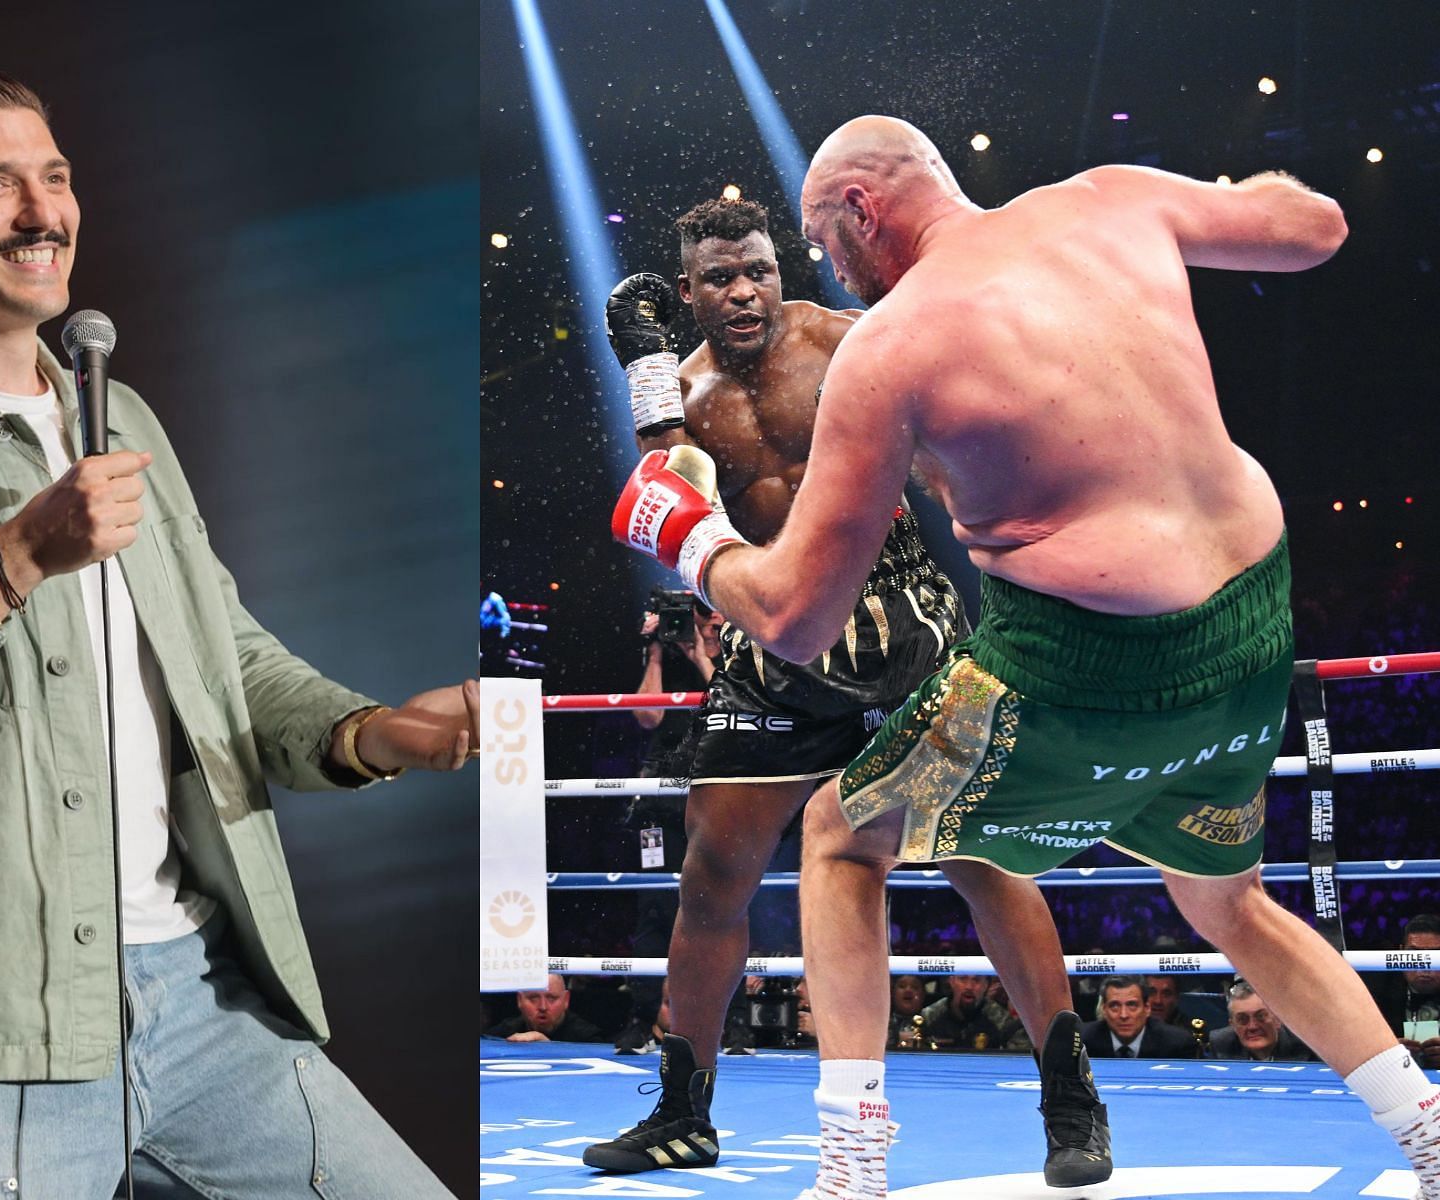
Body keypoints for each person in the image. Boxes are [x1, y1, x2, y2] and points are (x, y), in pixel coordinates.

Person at [613, 113, 1440, 1194]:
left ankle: (852, 1169)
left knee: (843, 834)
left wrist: (691, 536)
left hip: (1083, 657)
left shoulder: (886, 344)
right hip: (1253, 620)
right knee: (1228, 899)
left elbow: (795, 617)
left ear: (861, 209)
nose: (824, 266)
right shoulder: (1107, 196)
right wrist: (1248, 178)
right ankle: (1426, 1132)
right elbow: (1313, 222)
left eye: (820, 239)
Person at [0, 69, 475, 1199]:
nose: (42, 213)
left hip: (201, 996)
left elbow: (223, 660)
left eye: (55, 178)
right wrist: (12, 557)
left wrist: (376, 732)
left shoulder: (118, 418)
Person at [591, 197, 1108, 1185]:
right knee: (710, 876)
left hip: (906, 622)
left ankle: (1072, 1100)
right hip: (779, 638)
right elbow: (677, 499)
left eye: (756, 270)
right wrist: (649, 387)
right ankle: (681, 1111)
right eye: (718, 279)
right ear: (690, 292)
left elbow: (957, 445)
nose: (742, 293)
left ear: (779, 267)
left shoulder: (853, 345)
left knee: (981, 858)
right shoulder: (684, 390)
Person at [616, 599, 721, 1053]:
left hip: (715, 787)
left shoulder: (740, 651)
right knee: (655, 909)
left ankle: (731, 1026)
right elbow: (647, 716)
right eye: (702, 619)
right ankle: (641, 1021)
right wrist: (656, 652)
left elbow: (731, 703)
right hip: (660, 797)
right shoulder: (664, 657)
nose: (710, 625)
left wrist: (700, 655)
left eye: (715, 618)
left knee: (723, 902)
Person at [1367, 913, 1440, 1070]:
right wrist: (1385, 1054)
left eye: (1434, 955)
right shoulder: (1376, 990)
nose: (1424, 966)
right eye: (1414, 955)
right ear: (1401, 953)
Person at [1083, 976, 1199, 1059]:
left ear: (1147, 1008)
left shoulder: (1177, 1044)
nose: (1124, 1015)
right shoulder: (1082, 1041)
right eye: (1115, 1006)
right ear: (1104, 1009)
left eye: (1132, 1005)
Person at [1210, 980, 1316, 1061]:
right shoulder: (1221, 1044)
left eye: (1261, 1017)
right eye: (1242, 1019)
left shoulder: (1306, 1045)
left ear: (1278, 1019)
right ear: (1233, 1026)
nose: (1252, 1026)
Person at [487, 975, 608, 1043]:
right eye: (533, 998)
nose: (543, 1007)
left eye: (552, 998)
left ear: (566, 1000)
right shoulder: (503, 1033)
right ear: (519, 1000)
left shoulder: (587, 1038)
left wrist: (547, 1048)